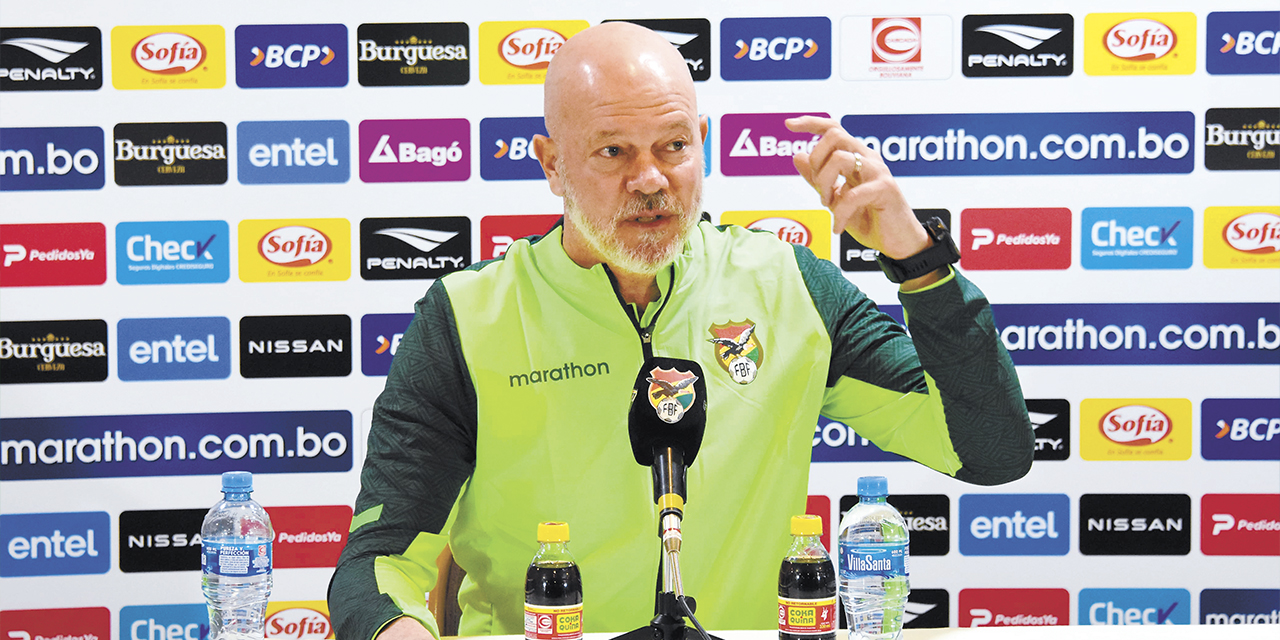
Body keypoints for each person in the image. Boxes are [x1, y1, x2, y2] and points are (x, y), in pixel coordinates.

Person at [329, 22, 1033, 640]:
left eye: (672, 145)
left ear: (701, 141)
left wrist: (918, 263)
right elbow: (378, 563)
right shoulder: (468, 316)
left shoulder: (790, 286)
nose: (651, 179)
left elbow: (990, 450)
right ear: (551, 164)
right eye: (613, 152)